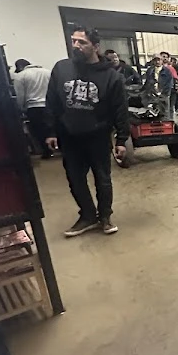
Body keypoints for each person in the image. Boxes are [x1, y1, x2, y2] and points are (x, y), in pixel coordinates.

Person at [45, 27, 129, 237]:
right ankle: (88, 216)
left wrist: (121, 139)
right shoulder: (61, 69)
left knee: (103, 178)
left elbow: (120, 109)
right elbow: (52, 102)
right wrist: (51, 131)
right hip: (69, 136)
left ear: (95, 47)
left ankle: (105, 217)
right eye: (73, 41)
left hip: (98, 136)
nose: (76, 46)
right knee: (75, 179)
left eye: (82, 42)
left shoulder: (111, 76)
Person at [13, 58, 52, 158]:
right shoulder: (47, 72)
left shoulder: (21, 76)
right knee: (53, 128)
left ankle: (46, 152)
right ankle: (60, 149)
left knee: (39, 131)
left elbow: (20, 95)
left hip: (33, 107)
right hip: (50, 105)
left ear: (20, 67)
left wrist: (21, 108)